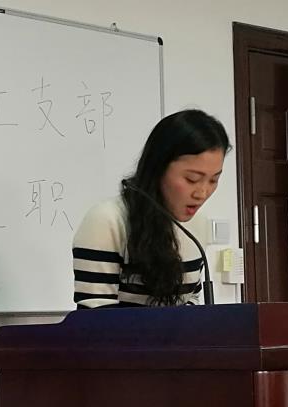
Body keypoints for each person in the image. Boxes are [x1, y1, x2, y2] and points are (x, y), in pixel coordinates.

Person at [72, 109, 230, 308]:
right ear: (158, 168)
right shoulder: (107, 221)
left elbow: (191, 300)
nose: (203, 193)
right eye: (192, 179)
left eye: (214, 180)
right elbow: (96, 315)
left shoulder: (198, 225)